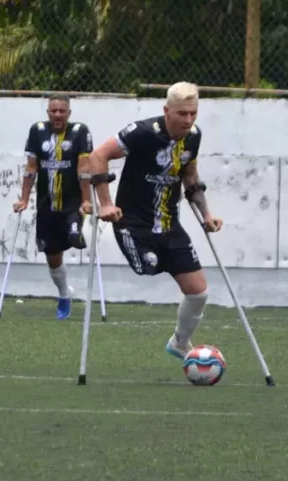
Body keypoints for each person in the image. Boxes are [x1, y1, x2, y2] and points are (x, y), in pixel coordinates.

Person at [85, 81, 223, 360]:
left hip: (170, 224)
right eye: (182, 113)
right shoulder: (143, 132)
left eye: (193, 113)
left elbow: (191, 177)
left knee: (199, 294)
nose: (188, 120)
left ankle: (180, 342)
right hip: (133, 223)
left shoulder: (193, 137)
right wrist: (106, 203)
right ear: (167, 110)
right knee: (148, 266)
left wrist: (207, 215)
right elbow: (97, 156)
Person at [14, 94, 94, 320]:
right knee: (52, 257)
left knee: (73, 234)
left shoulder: (80, 131)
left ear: (69, 113)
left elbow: (84, 168)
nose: (57, 115)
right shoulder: (37, 131)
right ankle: (64, 294)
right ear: (48, 112)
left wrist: (86, 200)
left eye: (62, 111)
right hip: (46, 205)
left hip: (72, 203)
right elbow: (31, 168)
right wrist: (23, 199)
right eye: (53, 111)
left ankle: (75, 232)